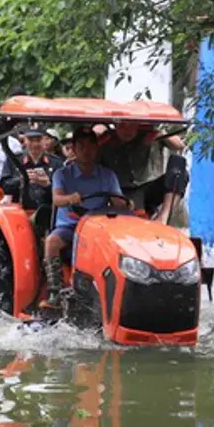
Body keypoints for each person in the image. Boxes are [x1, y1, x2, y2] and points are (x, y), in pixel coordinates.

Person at [43, 128, 125, 310]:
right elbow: (57, 199)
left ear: (97, 149)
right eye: (81, 146)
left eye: (91, 146)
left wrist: (124, 204)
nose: (86, 150)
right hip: (71, 227)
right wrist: (69, 198)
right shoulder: (62, 174)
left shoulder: (108, 175)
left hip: (100, 229)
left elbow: (118, 200)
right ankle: (55, 291)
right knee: (51, 242)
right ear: (73, 148)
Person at [98, 121, 188, 224]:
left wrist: (160, 133)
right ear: (115, 125)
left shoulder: (150, 135)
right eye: (122, 125)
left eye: (131, 125)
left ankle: (163, 217)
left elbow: (179, 145)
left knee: (178, 166)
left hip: (148, 187)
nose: (127, 130)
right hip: (121, 191)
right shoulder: (106, 141)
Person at [0, 127, 63, 212]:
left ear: (44, 140)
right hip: (18, 212)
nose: (35, 144)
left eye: (38, 139)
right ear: (25, 140)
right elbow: (3, 186)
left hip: (48, 214)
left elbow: (63, 192)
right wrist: (23, 178)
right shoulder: (14, 159)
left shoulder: (56, 162)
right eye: (31, 140)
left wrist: (47, 185)